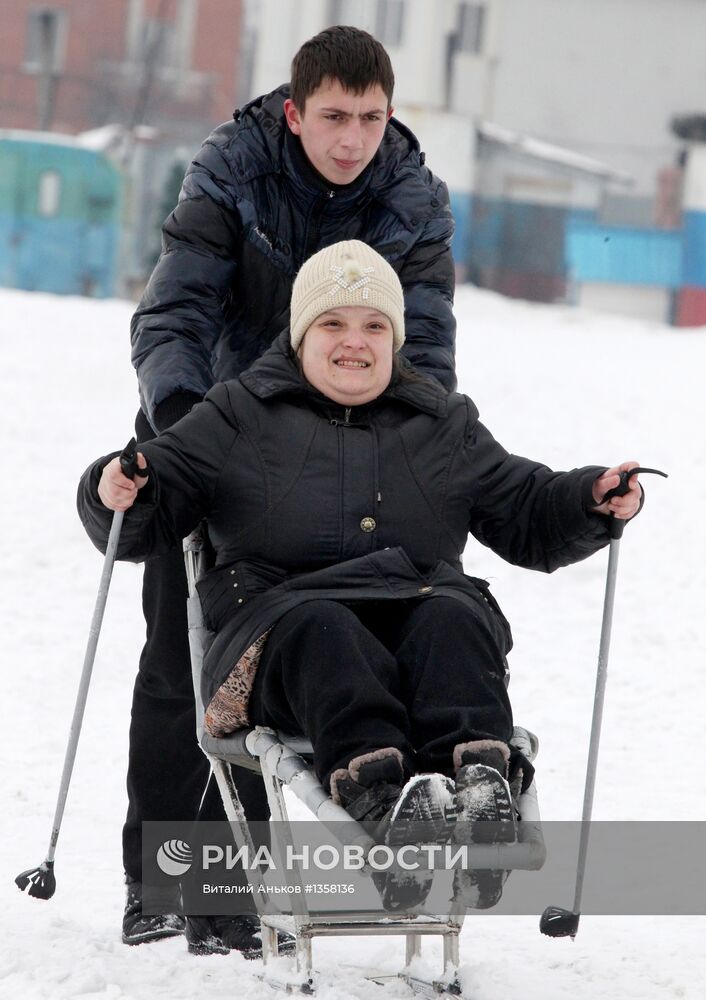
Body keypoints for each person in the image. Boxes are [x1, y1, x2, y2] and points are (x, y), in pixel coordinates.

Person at [79, 241, 643, 933]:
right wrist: (116, 488)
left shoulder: (442, 422)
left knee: (455, 617)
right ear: (302, 333)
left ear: (397, 339)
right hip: (280, 634)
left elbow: (526, 505)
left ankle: (481, 796)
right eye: (334, 325)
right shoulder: (237, 413)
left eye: (375, 326)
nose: (355, 343)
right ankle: (383, 813)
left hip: (412, 625)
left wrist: (591, 499)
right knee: (327, 626)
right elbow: (149, 502)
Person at [123, 25, 456, 949]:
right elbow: (176, 309)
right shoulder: (231, 170)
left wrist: (427, 439)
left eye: (373, 119)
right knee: (184, 657)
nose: (354, 140)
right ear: (294, 112)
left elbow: (422, 340)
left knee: (347, 636)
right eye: (336, 118)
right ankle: (172, 881)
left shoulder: (413, 196)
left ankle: (401, 834)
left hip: (354, 438)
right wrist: (190, 428)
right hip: (222, 421)